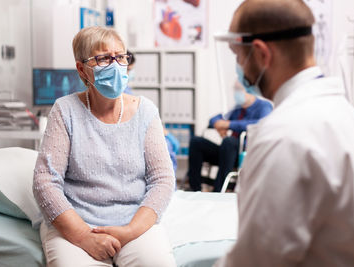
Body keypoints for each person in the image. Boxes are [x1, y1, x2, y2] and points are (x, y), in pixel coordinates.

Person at [215, 0, 354, 266]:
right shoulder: (351, 119)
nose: (239, 67)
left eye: (238, 55)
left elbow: (256, 259)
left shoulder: (282, 136)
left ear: (262, 54)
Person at [33, 26, 176, 267]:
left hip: (134, 221)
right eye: (102, 59)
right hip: (75, 223)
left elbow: (162, 179)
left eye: (120, 57)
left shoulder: (146, 111)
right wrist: (83, 236)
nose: (115, 65)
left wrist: (130, 231)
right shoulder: (64, 110)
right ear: (82, 69)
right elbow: (45, 182)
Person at [187, 81, 272, 192]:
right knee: (196, 142)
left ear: (250, 90)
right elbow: (215, 118)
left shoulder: (264, 106)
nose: (236, 93)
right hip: (226, 152)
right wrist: (218, 125)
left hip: (246, 154)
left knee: (229, 141)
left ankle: (218, 189)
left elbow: (259, 124)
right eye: (235, 89)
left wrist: (228, 124)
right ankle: (194, 188)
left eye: (239, 89)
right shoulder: (237, 109)